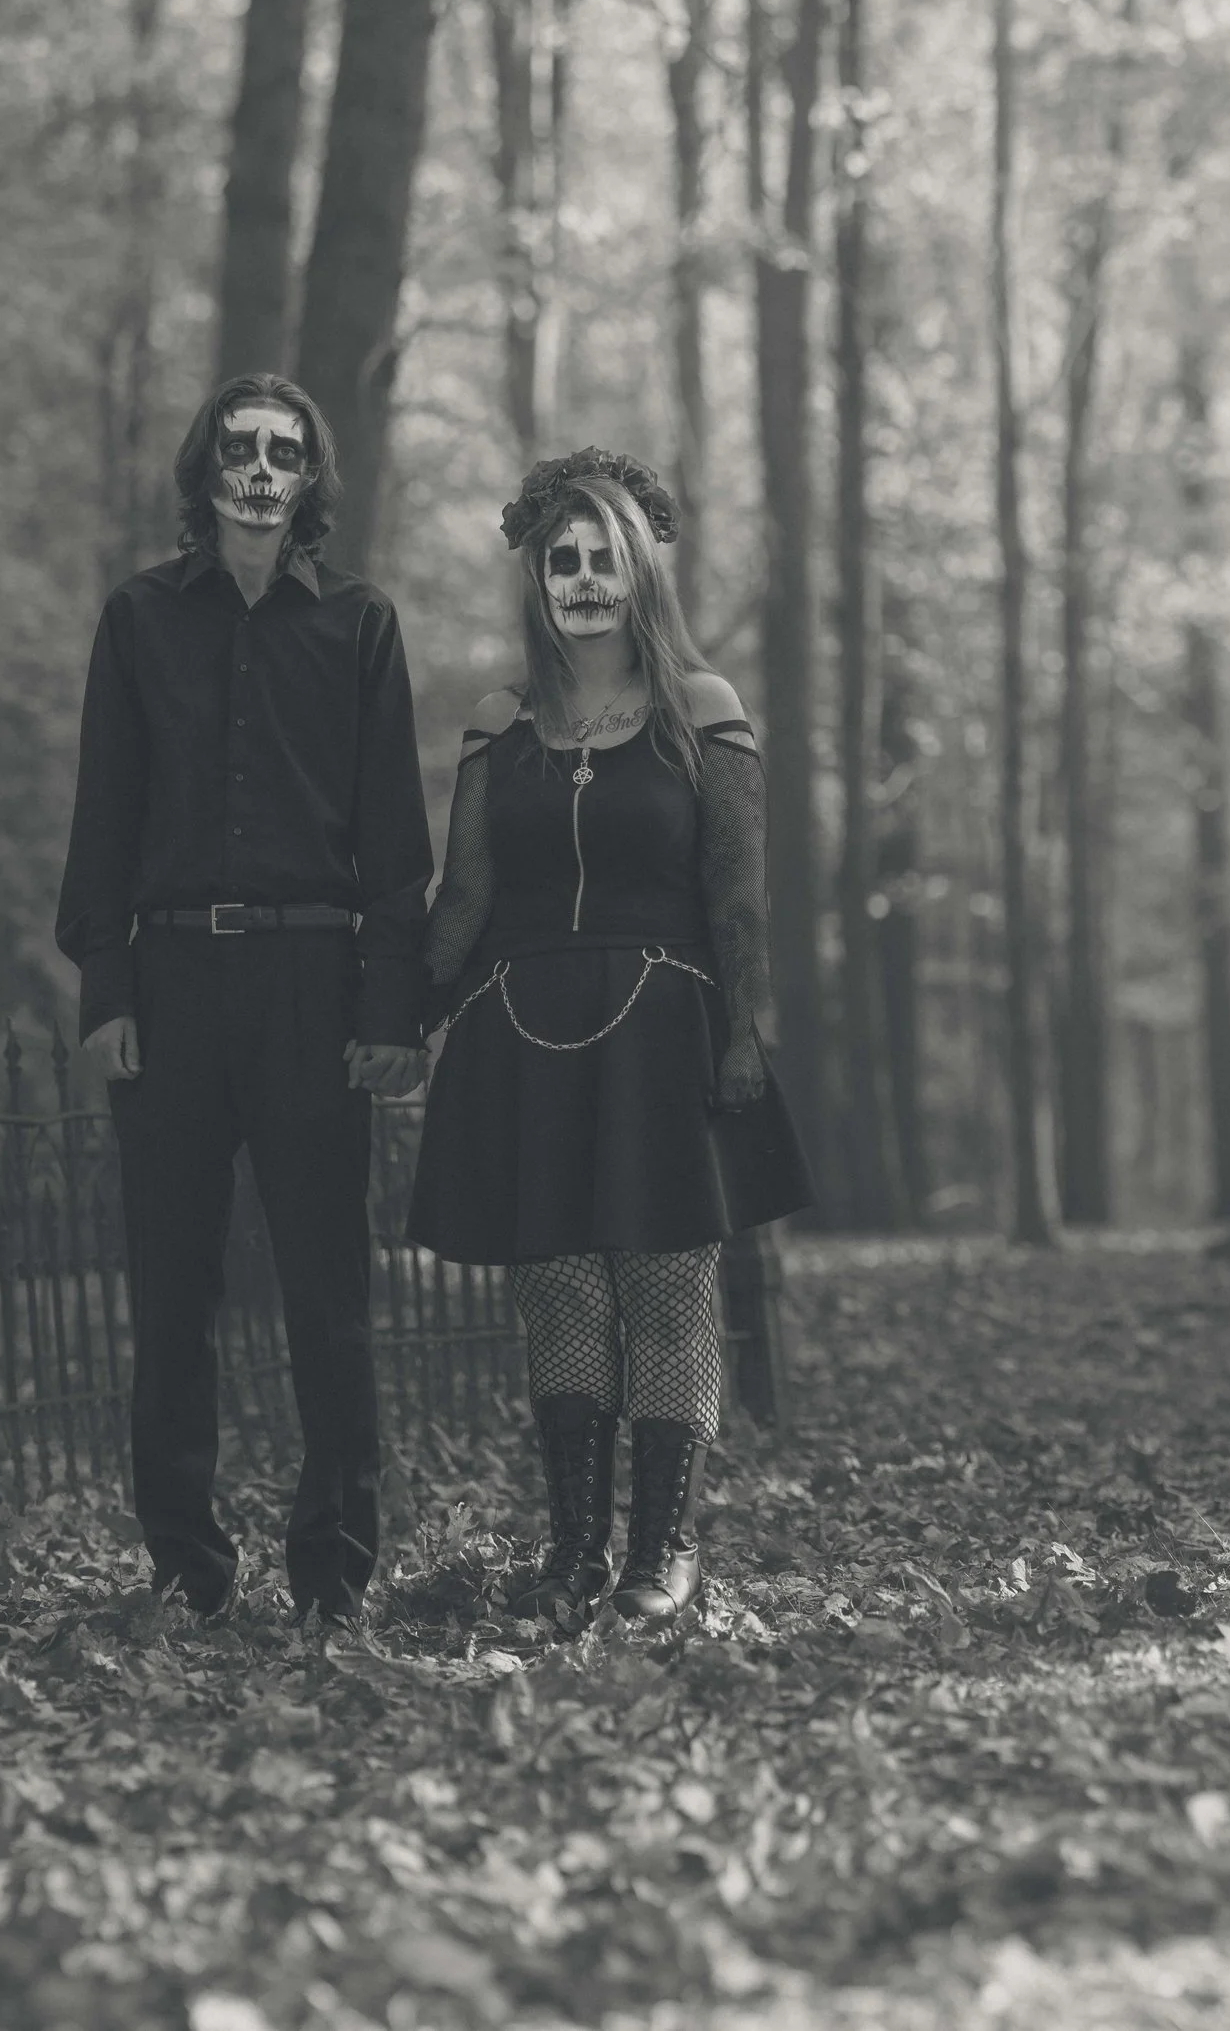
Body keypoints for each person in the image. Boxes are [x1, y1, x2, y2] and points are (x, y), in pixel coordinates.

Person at [410, 448, 812, 1628]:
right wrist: (397, 1015)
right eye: (561, 562)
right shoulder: (502, 720)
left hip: (660, 1023)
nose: (582, 581)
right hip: (524, 1032)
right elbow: (464, 896)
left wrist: (743, 1032)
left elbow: (738, 893)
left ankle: (662, 1549)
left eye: (603, 561)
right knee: (561, 1288)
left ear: (639, 575)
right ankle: (575, 1549)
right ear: (536, 579)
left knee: (666, 1280)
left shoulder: (703, 709)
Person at [56, 374, 431, 1622]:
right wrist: (104, 991)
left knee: (329, 1294)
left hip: (314, 987)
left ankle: (333, 1570)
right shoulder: (139, 620)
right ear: (204, 471)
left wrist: (388, 1012)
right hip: (168, 986)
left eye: (285, 451)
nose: (262, 470)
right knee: (171, 1296)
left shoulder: (361, 628)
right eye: (239, 449)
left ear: (311, 478)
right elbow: (100, 820)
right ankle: (188, 1569)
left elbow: (394, 842)